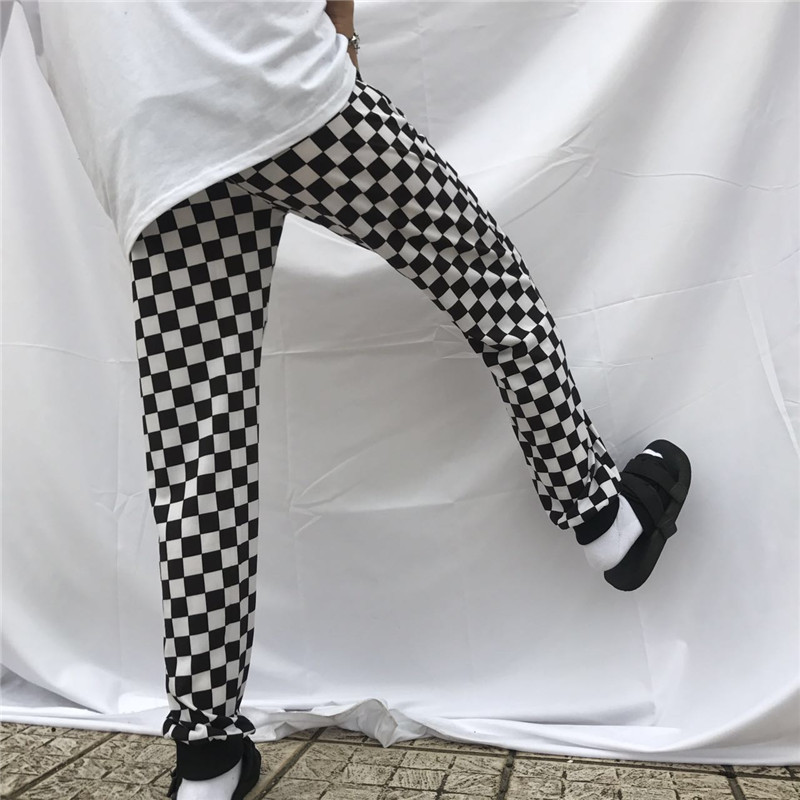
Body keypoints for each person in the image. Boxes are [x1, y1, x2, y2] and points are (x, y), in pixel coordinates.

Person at [2, 2, 692, 798]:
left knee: (200, 446)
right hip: (272, 78)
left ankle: (208, 760)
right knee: (482, 277)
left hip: (145, 129)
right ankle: (601, 516)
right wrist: (342, 31)